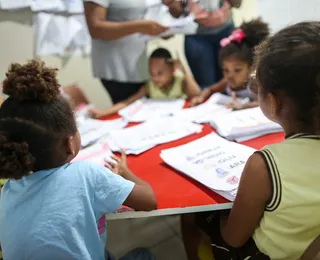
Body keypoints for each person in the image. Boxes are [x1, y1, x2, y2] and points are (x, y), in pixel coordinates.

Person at [181, 21, 320, 260]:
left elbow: (234, 238)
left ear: (273, 102)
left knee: (192, 215)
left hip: (262, 254)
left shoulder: (264, 164)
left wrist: (225, 218)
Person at [0, 60, 157, 260]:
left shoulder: (8, 189)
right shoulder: (86, 174)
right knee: (143, 255)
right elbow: (150, 200)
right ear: (70, 144)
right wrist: (125, 173)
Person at [84, 0, 168, 104]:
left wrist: (160, 29)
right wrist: (140, 26)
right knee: (128, 110)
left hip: (138, 64)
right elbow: (95, 28)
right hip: (116, 66)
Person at [89, 48, 201, 119]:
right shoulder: (149, 86)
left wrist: (184, 71)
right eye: (152, 73)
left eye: (160, 73)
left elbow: (196, 94)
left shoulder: (180, 81)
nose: (155, 78)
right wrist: (104, 112)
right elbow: (128, 102)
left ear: (172, 70)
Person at [190, 18, 270, 110]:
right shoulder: (226, 82)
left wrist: (243, 106)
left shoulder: (253, 84)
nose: (230, 76)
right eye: (225, 70)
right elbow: (210, 89)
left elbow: (262, 103)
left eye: (237, 70)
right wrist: (201, 97)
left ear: (250, 68)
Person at [164, 0, 242, 88]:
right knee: (205, 87)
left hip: (225, 29)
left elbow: (237, 4)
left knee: (232, 84)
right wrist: (174, 6)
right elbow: (174, 11)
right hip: (196, 34)